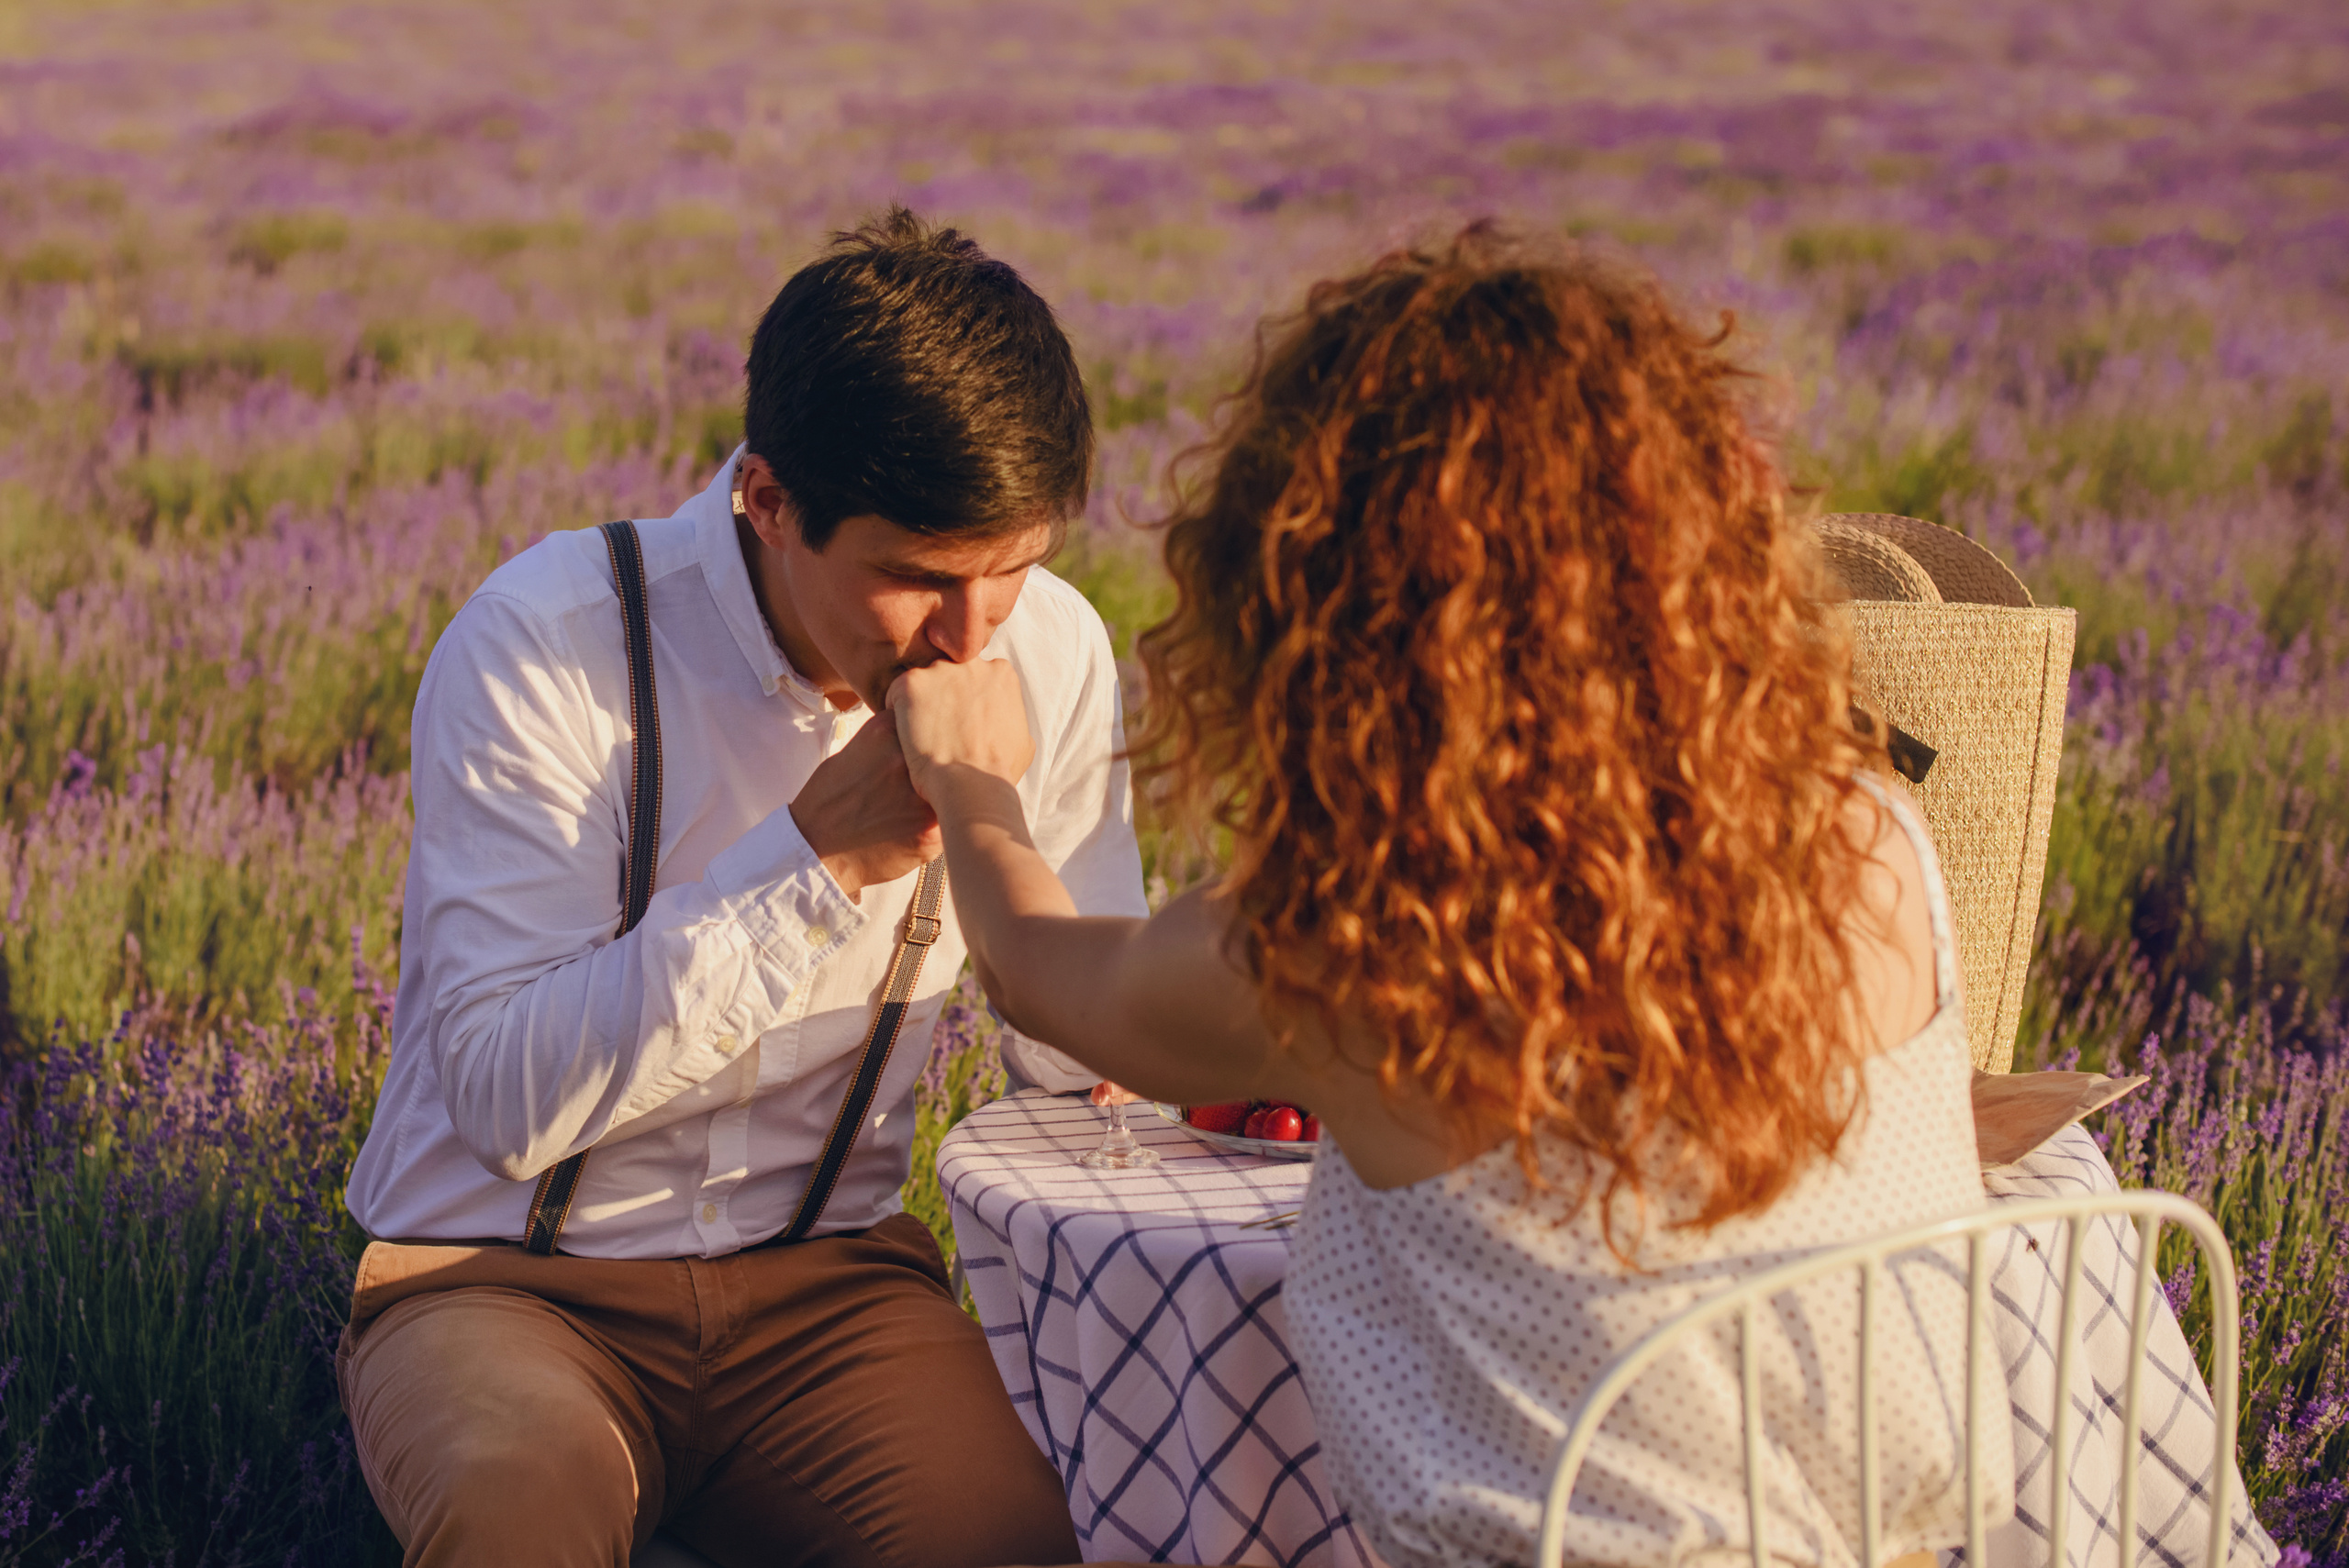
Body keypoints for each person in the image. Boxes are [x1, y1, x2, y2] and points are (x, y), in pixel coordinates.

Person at [890, 224, 2010, 1568]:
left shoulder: (1361, 946)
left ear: (1336, 601)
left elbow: (1039, 965)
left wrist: (970, 781)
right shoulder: (1870, 825)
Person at [340, 208, 1142, 1567]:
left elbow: (1083, 1052)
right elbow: (500, 1101)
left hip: (833, 1283)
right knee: (516, 1509)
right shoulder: (549, 642)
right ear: (765, 502)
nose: (968, 637)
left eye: (1009, 569)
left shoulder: (1051, 646)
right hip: (506, 1283)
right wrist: (819, 861)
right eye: (916, 579)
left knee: (1019, 1530)